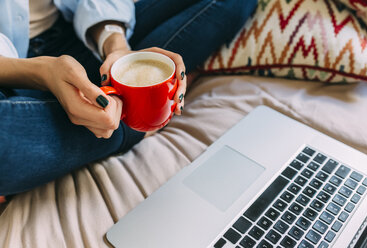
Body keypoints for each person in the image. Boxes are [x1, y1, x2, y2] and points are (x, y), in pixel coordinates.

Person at [0, 0, 257, 199]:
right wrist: (41, 72)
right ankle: (137, 121)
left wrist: (116, 47)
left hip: (75, 36)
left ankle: (113, 109)